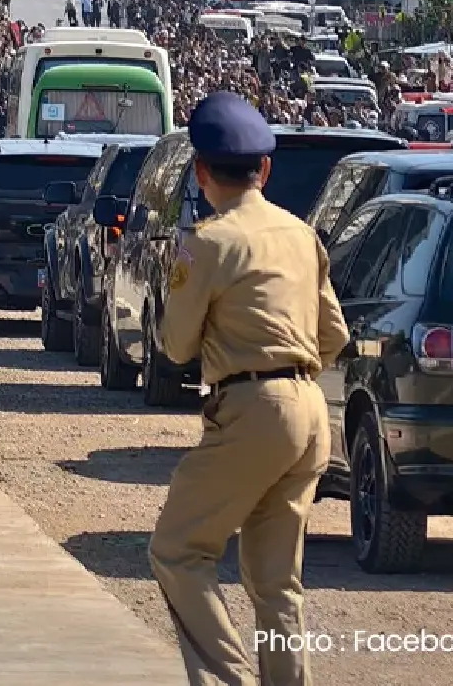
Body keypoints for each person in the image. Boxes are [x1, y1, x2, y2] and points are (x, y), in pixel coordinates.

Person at [148, 91, 347, 685]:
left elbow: (175, 346)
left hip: (252, 407)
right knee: (276, 585)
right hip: (309, 408)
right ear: (265, 169)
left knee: (178, 551)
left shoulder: (204, 242)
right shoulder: (299, 233)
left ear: (202, 172)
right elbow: (333, 334)